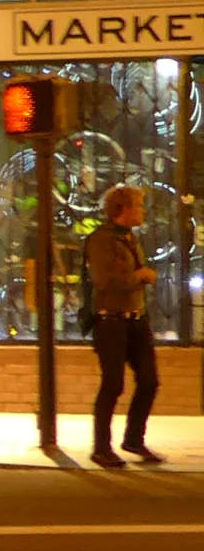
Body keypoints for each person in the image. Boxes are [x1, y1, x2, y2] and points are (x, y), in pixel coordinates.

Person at [85, 181, 165, 469]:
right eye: (139, 206)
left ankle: (133, 439)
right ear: (123, 210)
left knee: (149, 381)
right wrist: (141, 274)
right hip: (111, 321)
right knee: (113, 384)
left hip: (136, 319)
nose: (143, 212)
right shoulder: (101, 240)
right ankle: (101, 448)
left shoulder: (130, 237)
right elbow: (106, 281)